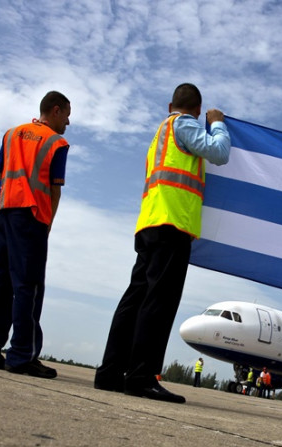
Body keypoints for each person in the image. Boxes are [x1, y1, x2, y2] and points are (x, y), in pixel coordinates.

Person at [94, 83, 230, 403]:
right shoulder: (183, 124)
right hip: (172, 223)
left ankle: (110, 372)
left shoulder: (160, 134)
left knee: (135, 299)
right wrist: (218, 123)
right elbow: (220, 153)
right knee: (160, 302)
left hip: (149, 223)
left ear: (170, 104)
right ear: (197, 109)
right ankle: (141, 376)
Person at [0, 91, 71, 379]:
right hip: (32, 217)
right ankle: (21, 355)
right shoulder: (57, 142)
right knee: (28, 286)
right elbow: (55, 187)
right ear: (55, 111)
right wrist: (48, 223)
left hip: (5, 210)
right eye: (66, 114)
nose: (68, 121)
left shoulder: (11, 134)